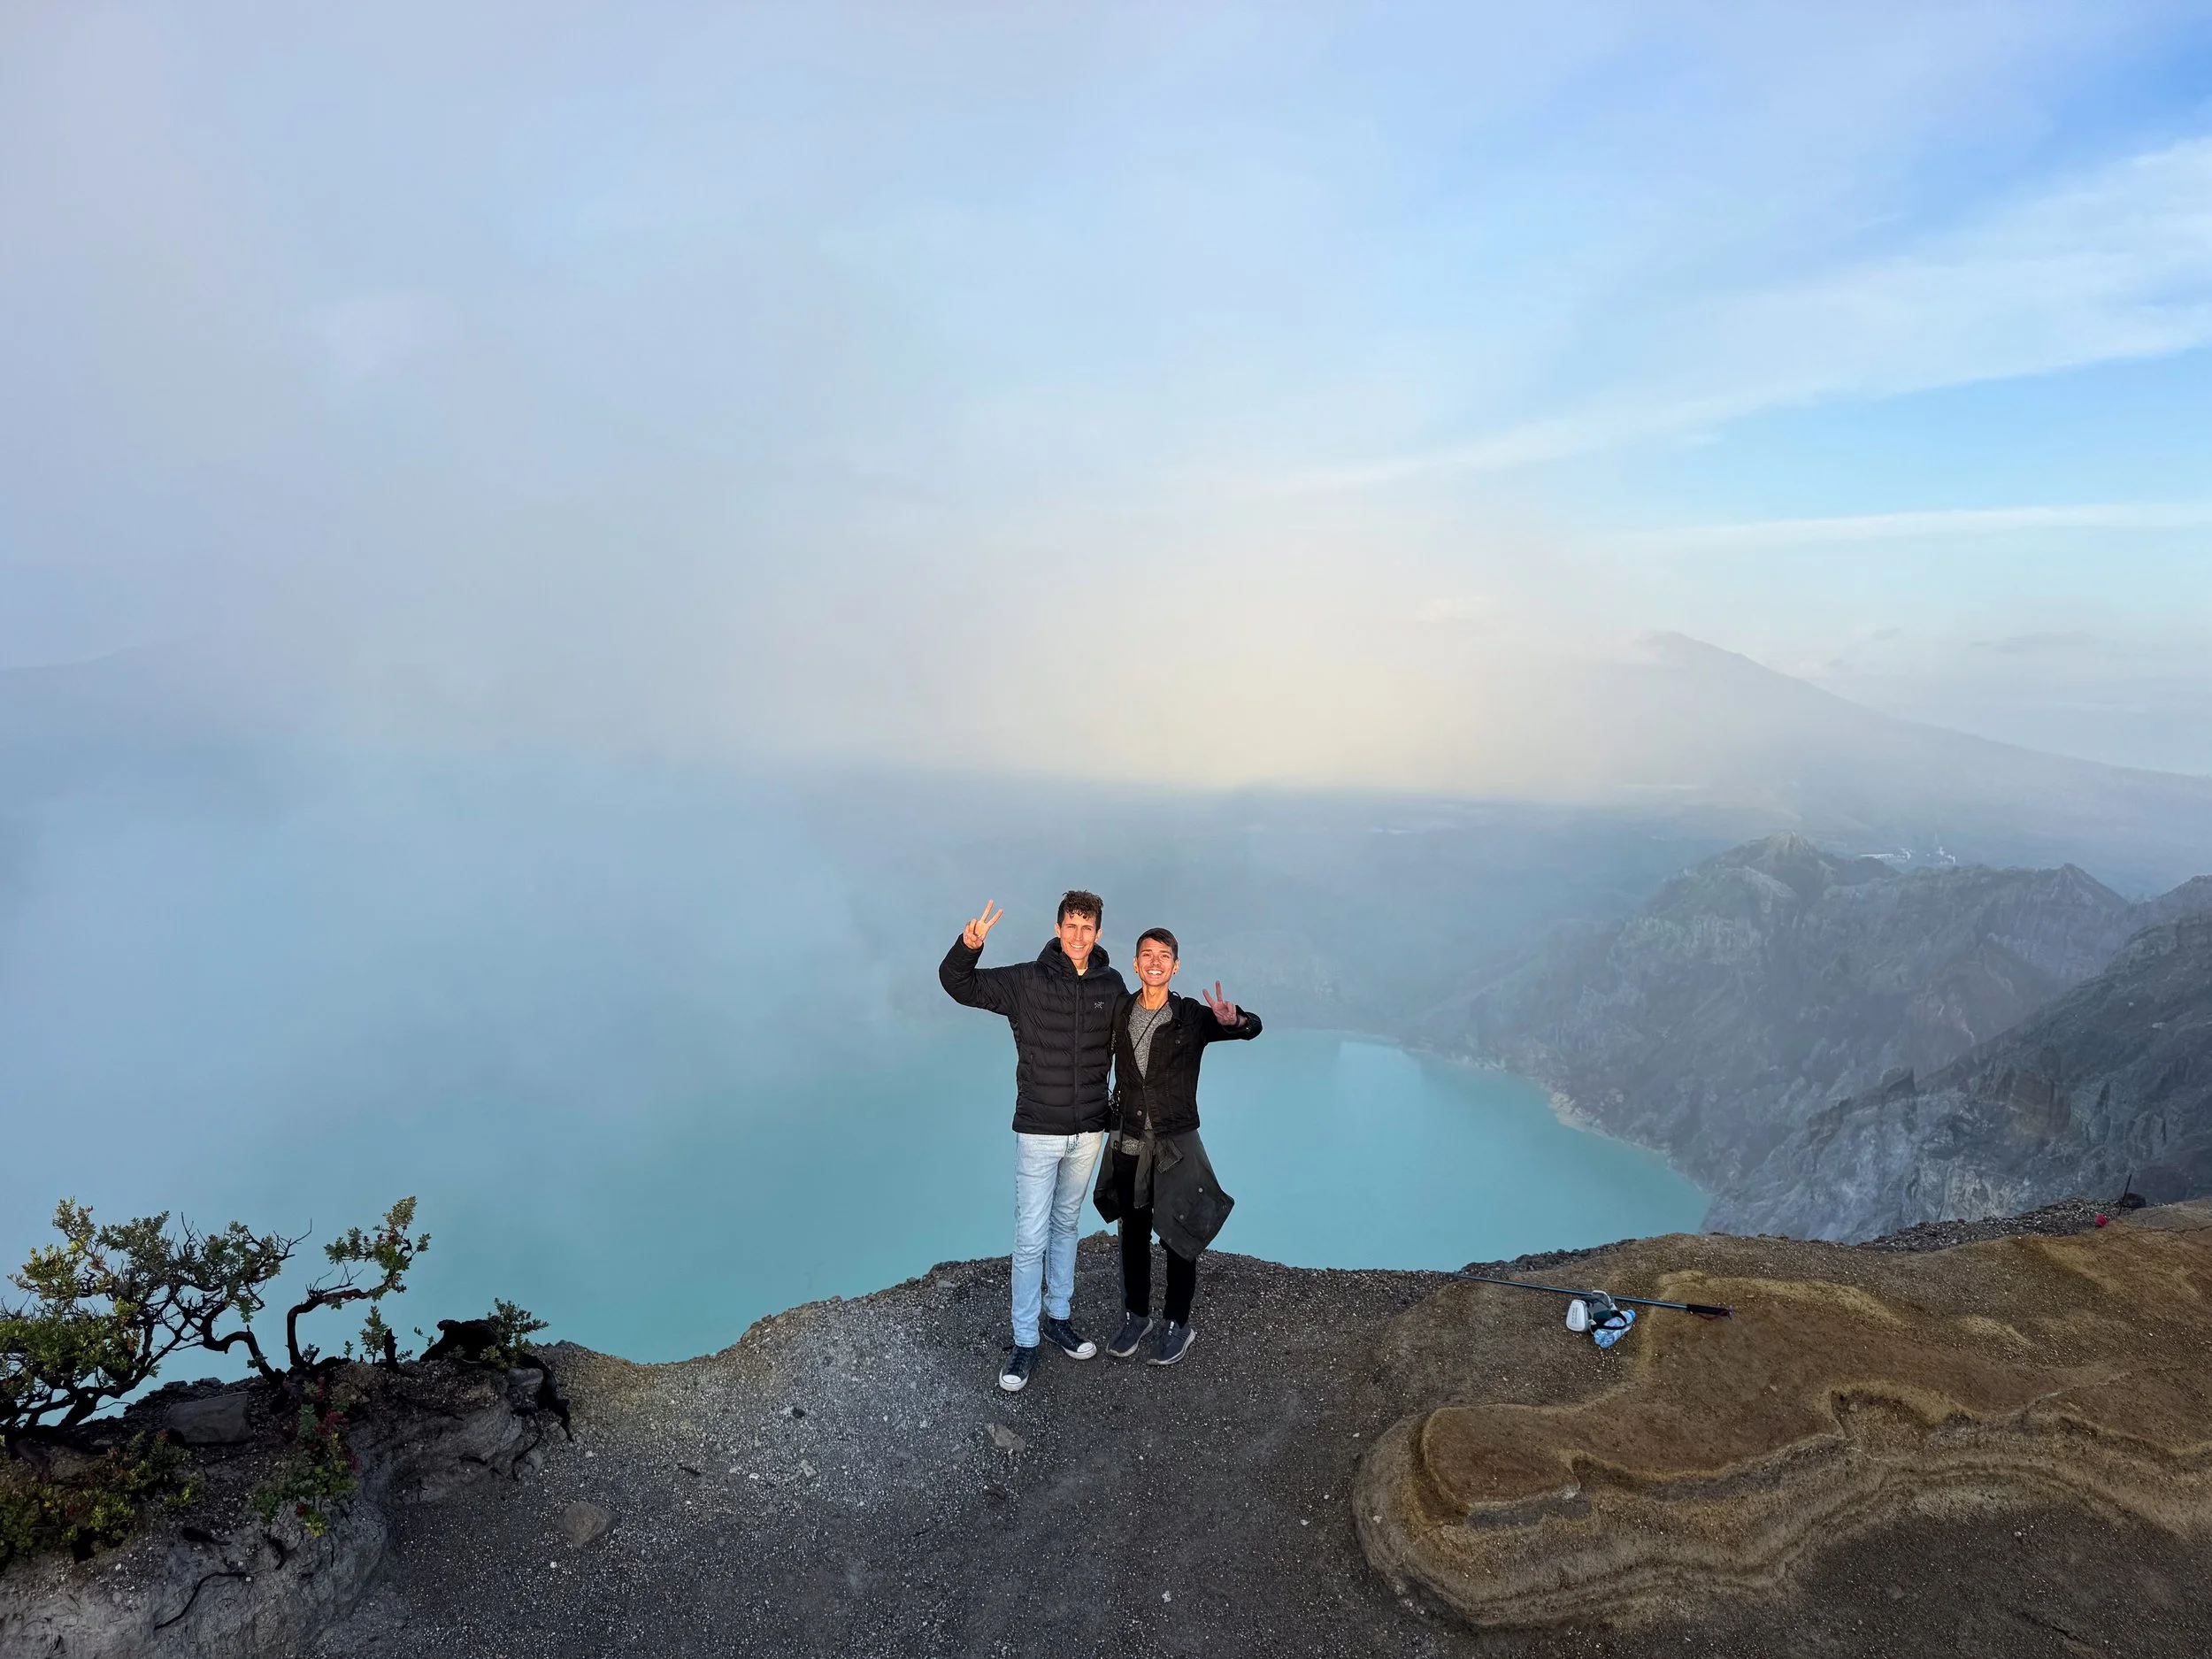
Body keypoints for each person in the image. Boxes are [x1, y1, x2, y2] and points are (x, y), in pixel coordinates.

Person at [941, 890, 1129, 1393]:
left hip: (1088, 1130)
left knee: (1066, 1225)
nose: (1078, 935)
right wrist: (969, 944)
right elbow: (958, 984)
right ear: (1058, 926)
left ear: (1098, 934)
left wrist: (1230, 1026)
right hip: (1039, 1131)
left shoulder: (1112, 986)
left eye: (1087, 928)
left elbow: (1142, 1034)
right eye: (1071, 925)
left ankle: (1058, 1318)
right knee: (1030, 1239)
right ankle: (1025, 1341)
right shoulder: (1026, 979)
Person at [1094, 926, 1260, 1367]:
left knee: (1178, 1234)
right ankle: (1137, 1316)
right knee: (1132, 1232)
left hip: (1176, 1144)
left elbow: (1250, 1028)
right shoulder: (1121, 1011)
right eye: (1147, 954)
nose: (1155, 961)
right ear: (1135, 964)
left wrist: (1236, 1020)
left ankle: (1176, 1323)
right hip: (1129, 1141)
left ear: (1175, 965)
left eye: (1164, 955)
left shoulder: (1191, 1016)